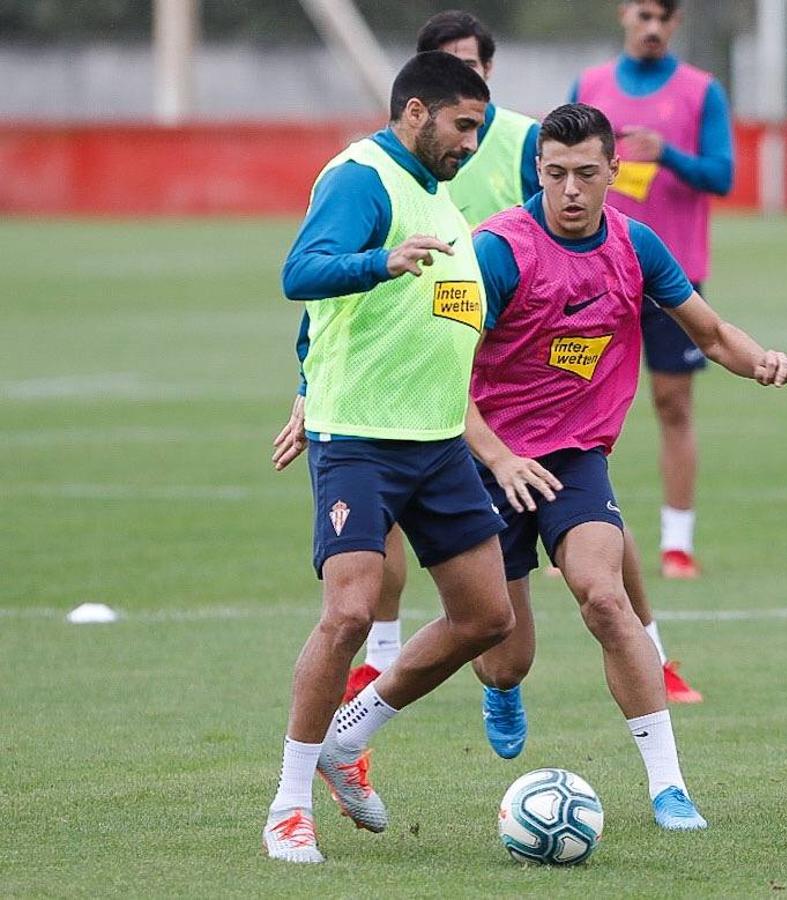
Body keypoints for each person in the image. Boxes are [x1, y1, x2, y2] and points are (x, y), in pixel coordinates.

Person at [275, 9, 705, 708]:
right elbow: (314, 284)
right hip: (428, 401)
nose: (470, 138)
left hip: (512, 372)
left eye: (476, 72)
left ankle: (652, 655)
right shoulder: (380, 177)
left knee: (585, 541)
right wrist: (308, 379)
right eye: (457, 90)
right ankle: (362, 694)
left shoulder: (512, 144)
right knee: (389, 593)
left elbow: (585, 213)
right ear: (420, 96)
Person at [456, 102, 787, 829]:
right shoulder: (496, 250)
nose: (571, 191)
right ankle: (501, 685)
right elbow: (441, 376)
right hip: (490, 464)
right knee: (502, 655)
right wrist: (499, 456)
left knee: (604, 598)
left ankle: (668, 786)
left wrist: (760, 361)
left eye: (586, 174)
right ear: (538, 173)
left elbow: (709, 333)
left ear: (615, 171)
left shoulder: (636, 245)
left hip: (576, 459)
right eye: (555, 175)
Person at [263, 52, 513, 864]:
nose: (472, 142)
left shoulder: (442, 196)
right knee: (349, 612)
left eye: (479, 126)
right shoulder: (361, 176)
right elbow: (301, 274)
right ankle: (289, 805)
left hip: (437, 442)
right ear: (415, 112)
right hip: (360, 439)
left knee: (486, 618)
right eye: (462, 125)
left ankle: (348, 739)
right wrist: (382, 262)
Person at [572, 0, 735, 578]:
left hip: (672, 274)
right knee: (571, 401)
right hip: (592, 270)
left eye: (662, 17)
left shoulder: (699, 91)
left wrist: (668, 154)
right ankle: (564, 532)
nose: (652, 26)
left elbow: (723, 175)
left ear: (676, 23)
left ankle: (677, 542)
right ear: (624, 15)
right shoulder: (591, 84)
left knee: (673, 404)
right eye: (643, 14)